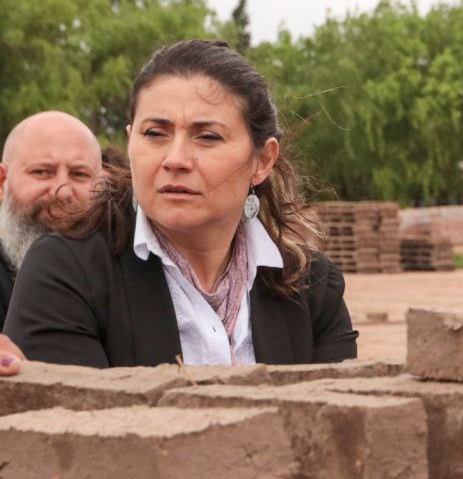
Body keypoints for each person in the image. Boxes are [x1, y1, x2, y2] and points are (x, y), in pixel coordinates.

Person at [4, 38, 358, 366]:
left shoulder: (312, 287)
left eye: (207, 137)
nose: (175, 159)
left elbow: (341, 428)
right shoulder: (67, 272)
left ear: (263, 160)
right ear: (130, 143)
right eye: (154, 134)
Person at [0, 111, 104, 326]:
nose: (62, 191)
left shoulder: (122, 274)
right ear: (2, 182)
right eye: (42, 172)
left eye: (79, 174)